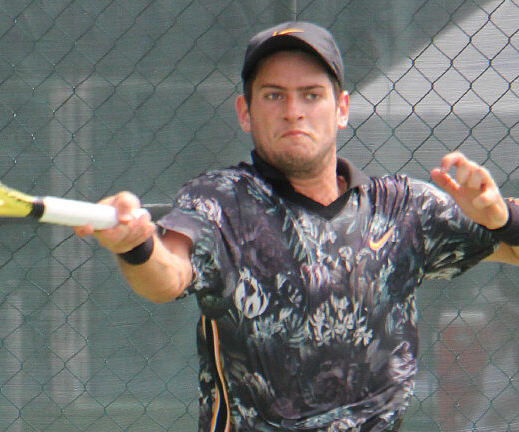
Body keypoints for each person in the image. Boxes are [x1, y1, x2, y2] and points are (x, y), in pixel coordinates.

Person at [74, 21, 519, 431]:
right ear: (245, 112)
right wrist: (136, 246)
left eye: (311, 95)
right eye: (273, 95)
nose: (293, 111)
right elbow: (167, 275)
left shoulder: (402, 208)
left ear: (341, 108)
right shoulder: (221, 201)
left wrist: (502, 219)